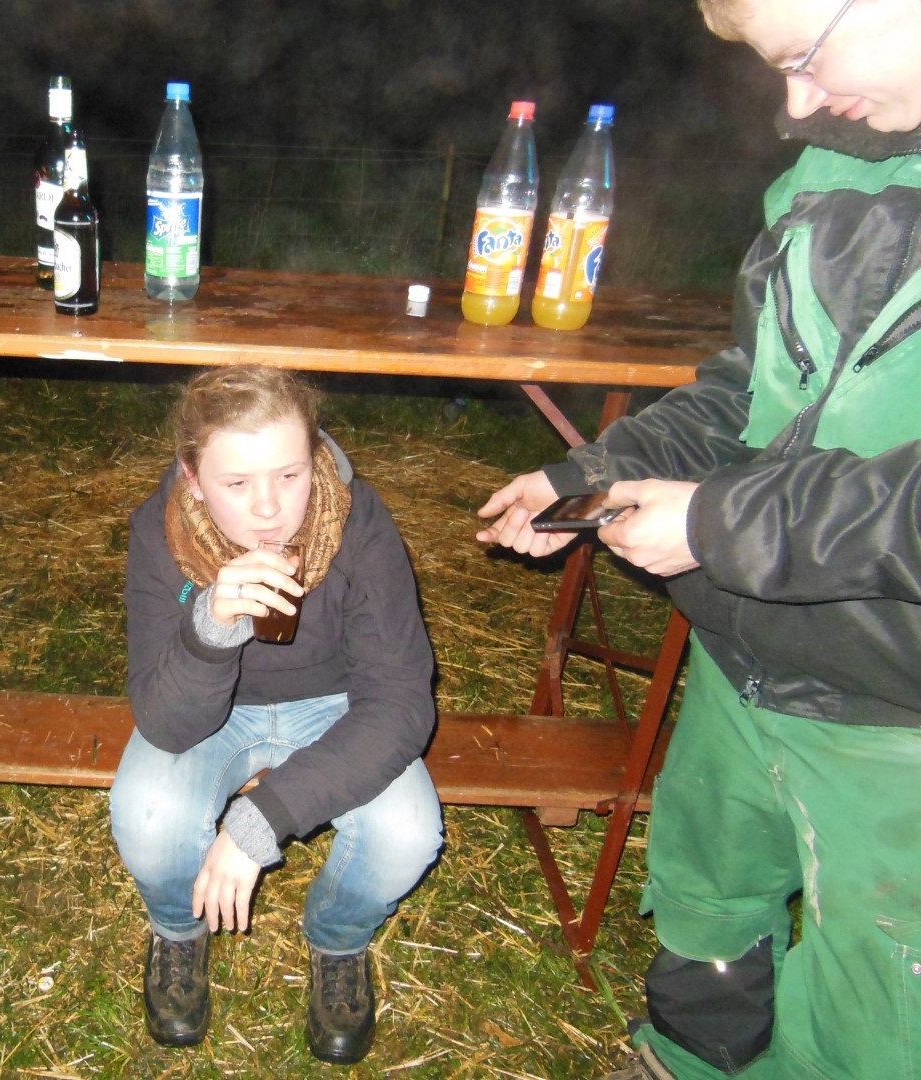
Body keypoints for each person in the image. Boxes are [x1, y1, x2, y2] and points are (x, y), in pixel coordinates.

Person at [477, 2, 921, 1078]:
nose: (797, 101)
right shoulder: (830, 172)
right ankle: (687, 1061)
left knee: (878, 992)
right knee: (709, 894)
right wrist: (586, 477)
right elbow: (744, 392)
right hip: (744, 647)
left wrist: (719, 522)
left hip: (892, 703)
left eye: (805, 56)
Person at [110, 365, 444, 1065]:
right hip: (214, 708)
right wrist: (211, 627)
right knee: (147, 815)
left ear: (314, 457)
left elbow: (400, 699)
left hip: (338, 707)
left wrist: (265, 816)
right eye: (237, 484)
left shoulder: (356, 521)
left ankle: (340, 940)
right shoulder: (161, 531)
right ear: (193, 479)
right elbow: (166, 724)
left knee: (408, 833)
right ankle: (178, 930)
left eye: (290, 475)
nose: (269, 509)